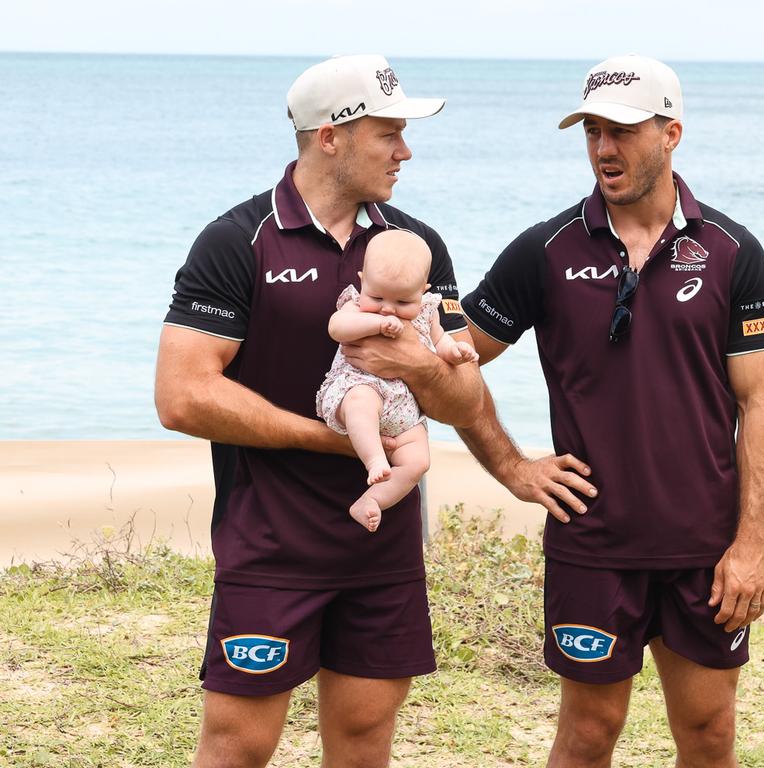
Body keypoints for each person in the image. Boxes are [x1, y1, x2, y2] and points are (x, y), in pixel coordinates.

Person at [457, 54, 764, 768]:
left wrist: (753, 544)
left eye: (624, 131)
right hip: (592, 546)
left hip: (705, 549)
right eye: (593, 132)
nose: (605, 149)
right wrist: (509, 463)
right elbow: (453, 364)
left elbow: (760, 402)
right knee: (587, 734)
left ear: (671, 134)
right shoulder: (544, 251)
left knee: (708, 734)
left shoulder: (732, 253)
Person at [154, 55, 482, 768]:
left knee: (365, 742)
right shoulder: (236, 241)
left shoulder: (412, 250)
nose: (406, 150)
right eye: (388, 132)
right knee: (238, 746)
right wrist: (332, 439)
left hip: (383, 547)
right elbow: (181, 396)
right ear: (329, 136)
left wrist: (421, 366)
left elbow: (463, 398)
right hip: (270, 543)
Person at [316, 229, 479, 532]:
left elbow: (440, 341)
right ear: (363, 281)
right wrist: (377, 322)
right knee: (361, 403)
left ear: (423, 291)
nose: (388, 307)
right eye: (377, 297)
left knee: (417, 462)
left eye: (403, 301)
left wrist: (455, 352)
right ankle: (374, 459)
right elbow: (338, 328)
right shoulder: (355, 304)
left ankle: (371, 500)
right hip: (357, 384)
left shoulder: (427, 312)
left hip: (403, 409)